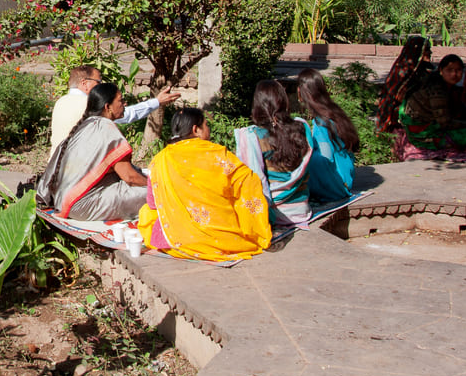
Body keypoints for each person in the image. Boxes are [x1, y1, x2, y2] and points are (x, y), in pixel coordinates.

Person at [138, 108, 271, 261]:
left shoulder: (159, 160)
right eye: (206, 125)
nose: (209, 129)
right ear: (196, 130)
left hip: (177, 238)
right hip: (222, 237)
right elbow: (249, 182)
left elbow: (153, 204)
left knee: (146, 213)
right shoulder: (219, 155)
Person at [37, 83, 147, 220]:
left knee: (141, 175)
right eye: (120, 100)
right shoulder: (106, 128)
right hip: (82, 205)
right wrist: (155, 185)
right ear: (108, 107)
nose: (124, 104)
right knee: (156, 193)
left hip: (65, 200)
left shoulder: (88, 124)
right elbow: (129, 177)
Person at [48, 64, 179, 159]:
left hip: (55, 168)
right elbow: (125, 114)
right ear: (84, 83)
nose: (101, 85)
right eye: (98, 82)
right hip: (75, 172)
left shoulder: (61, 101)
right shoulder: (88, 104)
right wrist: (157, 101)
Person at [234, 80, 313, 227]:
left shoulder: (252, 136)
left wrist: (265, 216)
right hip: (301, 208)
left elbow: (255, 180)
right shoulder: (302, 126)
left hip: (275, 213)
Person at [294, 68, 357, 203]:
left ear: (300, 92)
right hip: (346, 178)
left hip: (337, 185)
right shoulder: (334, 112)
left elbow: (324, 158)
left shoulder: (321, 123)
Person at [401, 54, 466, 149]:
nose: (454, 74)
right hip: (423, 132)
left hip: (435, 123)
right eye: (449, 70)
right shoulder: (437, 90)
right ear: (441, 71)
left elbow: (462, 107)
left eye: (458, 70)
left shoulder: (448, 86)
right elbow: (445, 123)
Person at [377, 35, 433, 133]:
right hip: (401, 117)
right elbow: (397, 97)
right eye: (427, 50)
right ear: (419, 52)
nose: (430, 53)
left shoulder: (425, 71)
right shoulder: (403, 72)